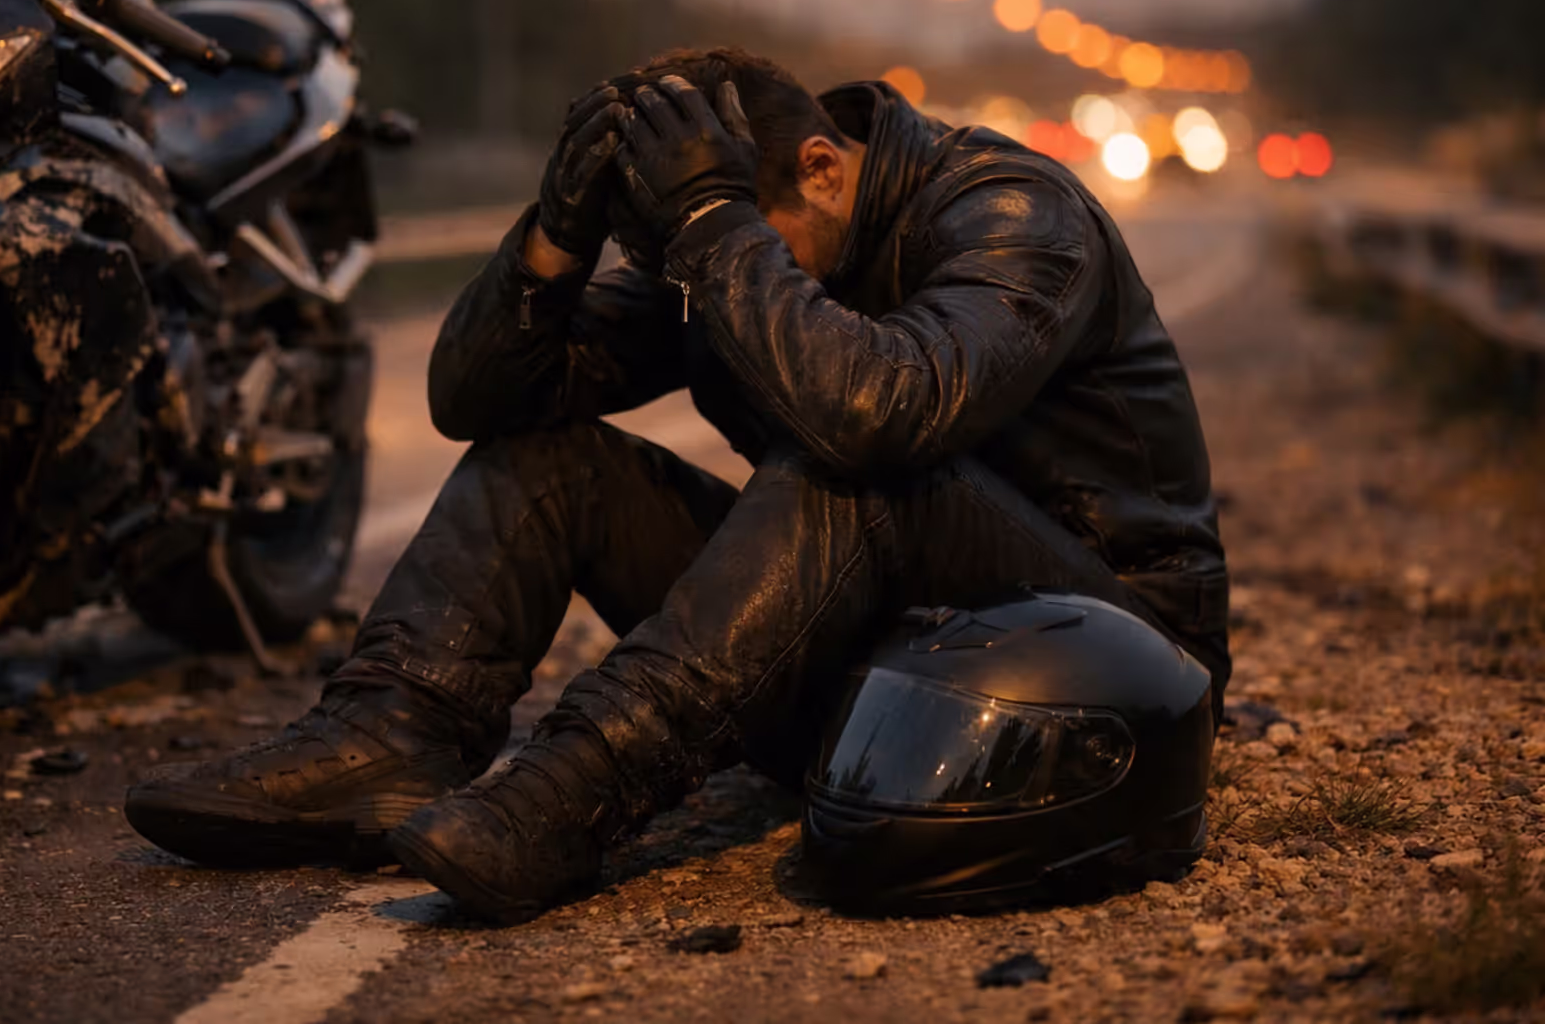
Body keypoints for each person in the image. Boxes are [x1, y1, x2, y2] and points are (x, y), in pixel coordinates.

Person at [125, 48, 1230, 923]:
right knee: (549, 457)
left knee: (848, 452)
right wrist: (554, 239)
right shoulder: (733, 244)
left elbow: (878, 411)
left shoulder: (1011, 211)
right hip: (887, 668)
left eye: (725, 237)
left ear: (823, 168)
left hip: (1107, 664)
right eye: (687, 249)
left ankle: (575, 789)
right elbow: (482, 398)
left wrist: (715, 229)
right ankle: (388, 734)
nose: (696, 272)